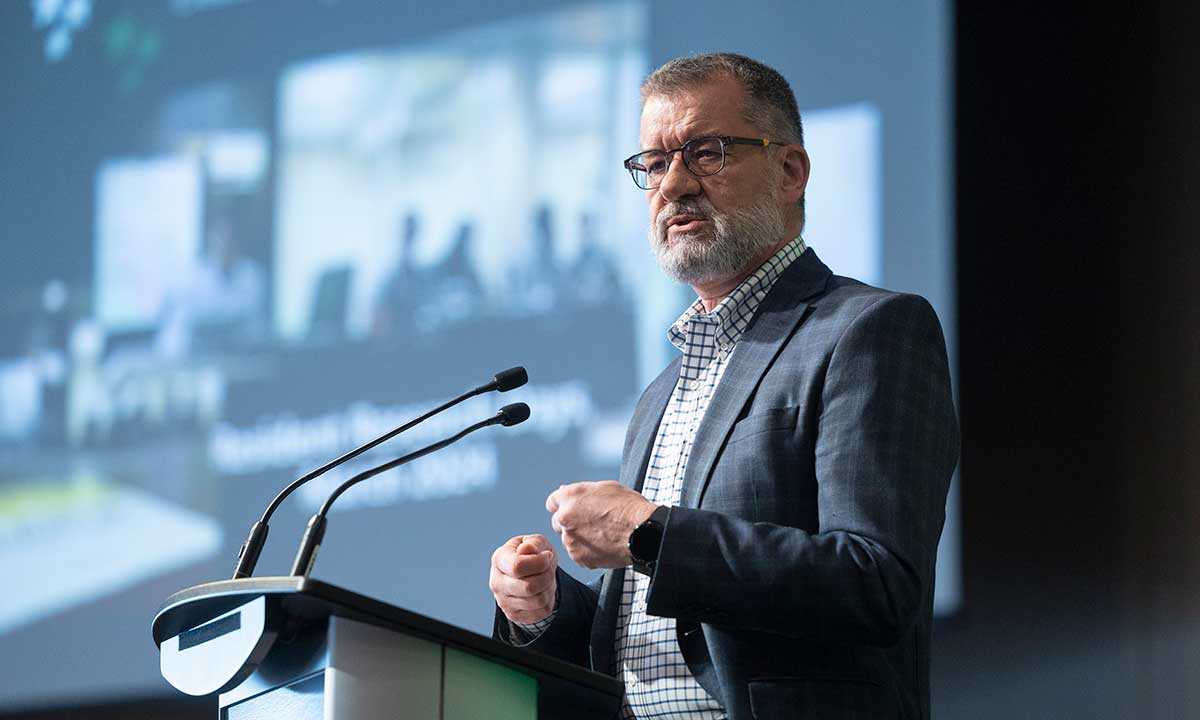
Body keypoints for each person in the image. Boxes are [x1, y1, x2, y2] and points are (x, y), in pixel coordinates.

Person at [488, 53, 958, 720]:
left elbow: (875, 582)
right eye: (653, 163)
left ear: (790, 171)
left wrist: (650, 534)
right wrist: (545, 611)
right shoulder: (659, 393)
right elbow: (660, 635)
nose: (674, 184)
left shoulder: (868, 329)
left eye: (706, 153)